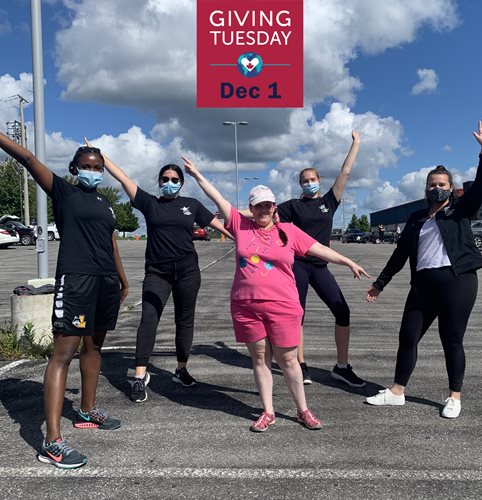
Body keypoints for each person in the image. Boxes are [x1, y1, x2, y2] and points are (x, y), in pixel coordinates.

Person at [183, 157, 370, 432]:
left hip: (283, 305)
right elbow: (218, 197)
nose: (263, 210)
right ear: (251, 208)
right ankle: (268, 411)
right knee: (260, 359)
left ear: (274, 207)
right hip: (247, 306)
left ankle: (303, 410)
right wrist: (198, 175)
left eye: (268, 205)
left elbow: (319, 249)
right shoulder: (239, 225)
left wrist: (348, 262)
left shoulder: (289, 231)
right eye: (258, 206)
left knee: (289, 360)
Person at [0, 133, 128, 469]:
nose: (93, 171)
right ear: (74, 169)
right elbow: (26, 157)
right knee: (63, 354)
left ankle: (87, 410)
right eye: (86, 166)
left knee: (95, 347)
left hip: (105, 282)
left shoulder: (106, 204)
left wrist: (123, 279)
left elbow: (111, 243)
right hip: (77, 282)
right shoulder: (64, 191)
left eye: (98, 167)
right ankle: (51, 442)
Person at [365, 119, 482, 419]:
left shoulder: (459, 210)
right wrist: (380, 283)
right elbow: (400, 254)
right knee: (407, 336)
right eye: (432, 185)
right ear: (426, 188)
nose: (437, 189)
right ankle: (397, 391)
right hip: (423, 286)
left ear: (451, 189)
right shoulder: (415, 218)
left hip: (457, 282)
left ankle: (454, 396)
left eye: (442, 185)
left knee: (452, 338)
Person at [85, 141, 232, 402]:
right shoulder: (149, 203)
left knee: (185, 321)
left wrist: (247, 241)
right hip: (157, 273)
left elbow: (222, 227)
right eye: (165, 179)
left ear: (181, 182)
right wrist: (100, 155)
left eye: (175, 179)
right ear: (159, 181)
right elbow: (122, 177)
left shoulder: (192, 205)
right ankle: (140, 375)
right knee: (149, 319)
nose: (169, 182)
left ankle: (181, 369)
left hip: (188, 272)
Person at [277, 130, 364, 386]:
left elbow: (345, 173)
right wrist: (228, 211)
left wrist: (356, 143)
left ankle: (342, 366)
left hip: (320, 266)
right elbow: (262, 210)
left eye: (312, 179)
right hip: (299, 265)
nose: (309, 183)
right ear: (300, 184)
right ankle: (300, 365)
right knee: (297, 315)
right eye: (304, 180)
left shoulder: (329, 201)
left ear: (319, 179)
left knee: (342, 310)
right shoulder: (293, 206)